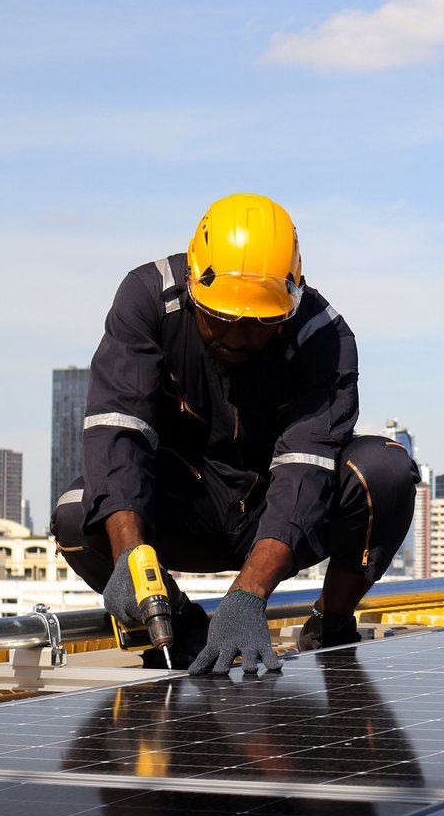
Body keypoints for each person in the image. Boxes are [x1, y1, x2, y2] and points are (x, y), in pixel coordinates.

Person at [53, 193, 416, 674]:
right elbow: (118, 431)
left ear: (293, 295)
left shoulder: (323, 337)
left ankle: (330, 621)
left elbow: (304, 469)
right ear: (192, 283)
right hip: (184, 511)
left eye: (259, 325)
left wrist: (249, 596)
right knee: (78, 515)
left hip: (276, 516)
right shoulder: (147, 299)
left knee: (385, 472)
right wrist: (130, 557)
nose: (237, 339)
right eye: (221, 319)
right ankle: (179, 625)